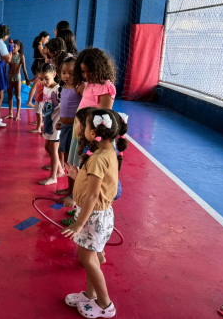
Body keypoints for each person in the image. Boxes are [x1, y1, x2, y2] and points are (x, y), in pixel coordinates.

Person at [61, 108, 128, 318]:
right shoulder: (108, 152)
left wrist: (79, 224)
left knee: (87, 258)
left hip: (93, 217)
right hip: (99, 215)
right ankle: (90, 294)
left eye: (85, 125)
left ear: (93, 132)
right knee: (90, 256)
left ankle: (105, 304)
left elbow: (92, 196)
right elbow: (96, 183)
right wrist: (78, 175)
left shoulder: (98, 158)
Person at [57, 48, 117, 206]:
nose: (85, 75)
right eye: (82, 72)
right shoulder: (89, 84)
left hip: (91, 136)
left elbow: (103, 116)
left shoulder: (106, 87)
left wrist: (90, 135)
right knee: (73, 165)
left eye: (88, 71)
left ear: (99, 67)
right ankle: (72, 192)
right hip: (79, 133)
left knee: (84, 169)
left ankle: (78, 199)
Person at [54, 55, 84, 197]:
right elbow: (65, 108)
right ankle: (70, 189)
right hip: (65, 129)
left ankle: (74, 193)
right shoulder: (64, 87)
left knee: (74, 162)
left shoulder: (79, 87)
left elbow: (86, 106)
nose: (66, 76)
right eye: (64, 72)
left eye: (71, 73)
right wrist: (61, 121)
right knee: (67, 162)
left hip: (75, 130)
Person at [37, 62, 62, 186]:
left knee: (53, 149)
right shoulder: (46, 87)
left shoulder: (58, 89)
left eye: (46, 78)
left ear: (54, 74)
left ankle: (53, 177)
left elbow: (63, 106)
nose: (44, 82)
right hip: (48, 122)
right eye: (41, 79)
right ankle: (59, 169)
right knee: (47, 148)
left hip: (56, 124)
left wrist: (61, 121)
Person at [5, 40, 30, 120]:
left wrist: (27, 79)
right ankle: (10, 113)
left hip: (17, 77)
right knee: (10, 95)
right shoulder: (10, 55)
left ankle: (18, 114)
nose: (13, 48)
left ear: (18, 48)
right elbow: (5, 65)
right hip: (9, 77)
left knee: (18, 96)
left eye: (14, 47)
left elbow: (24, 68)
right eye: (12, 47)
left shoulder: (21, 56)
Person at [27, 31, 50, 108]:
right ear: (43, 37)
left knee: (38, 84)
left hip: (37, 64)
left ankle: (33, 100)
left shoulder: (39, 44)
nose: (47, 40)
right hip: (37, 65)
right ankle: (29, 102)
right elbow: (44, 56)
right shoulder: (39, 45)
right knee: (35, 85)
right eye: (47, 38)